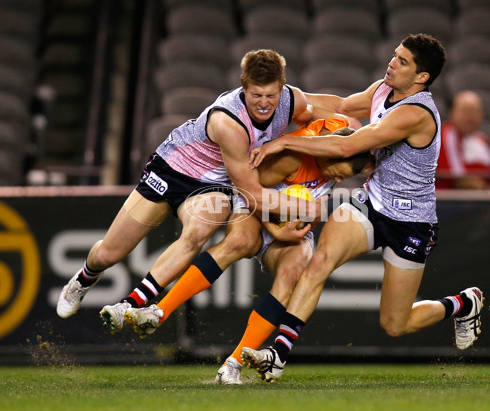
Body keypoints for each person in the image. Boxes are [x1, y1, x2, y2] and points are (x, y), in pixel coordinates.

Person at [242, 34, 484, 382]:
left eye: (402, 61)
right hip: (372, 202)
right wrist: (280, 94)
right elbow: (340, 106)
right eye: (394, 55)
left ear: (422, 78)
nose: (392, 62)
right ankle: (277, 355)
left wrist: (284, 141)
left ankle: (463, 304)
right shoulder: (383, 90)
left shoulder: (416, 114)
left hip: (411, 223)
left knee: (395, 324)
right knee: (318, 262)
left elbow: (348, 147)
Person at [56, 49, 330, 322]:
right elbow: (254, 195)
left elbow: (341, 110)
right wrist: (313, 210)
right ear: (243, 87)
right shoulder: (228, 122)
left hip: (213, 184)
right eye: (256, 95)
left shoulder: (292, 100)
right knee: (108, 254)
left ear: (282, 89)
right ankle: (84, 278)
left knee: (197, 233)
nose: (263, 103)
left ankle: (129, 304)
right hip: (172, 169)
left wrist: (350, 127)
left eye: (271, 95)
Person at [120, 121, 374, 385]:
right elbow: (252, 192)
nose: (338, 179)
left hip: (285, 225)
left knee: (295, 267)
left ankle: (233, 364)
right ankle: (158, 312)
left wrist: (297, 224)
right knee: (240, 241)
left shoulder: (339, 154)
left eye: (343, 178)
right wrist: (274, 230)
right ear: (333, 151)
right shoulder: (292, 160)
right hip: (255, 209)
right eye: (339, 172)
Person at [437, 90, 490, 190]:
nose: (471, 118)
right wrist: (488, 189)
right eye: (466, 112)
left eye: (475, 112)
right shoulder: (445, 136)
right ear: (452, 113)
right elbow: (459, 179)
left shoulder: (483, 139)